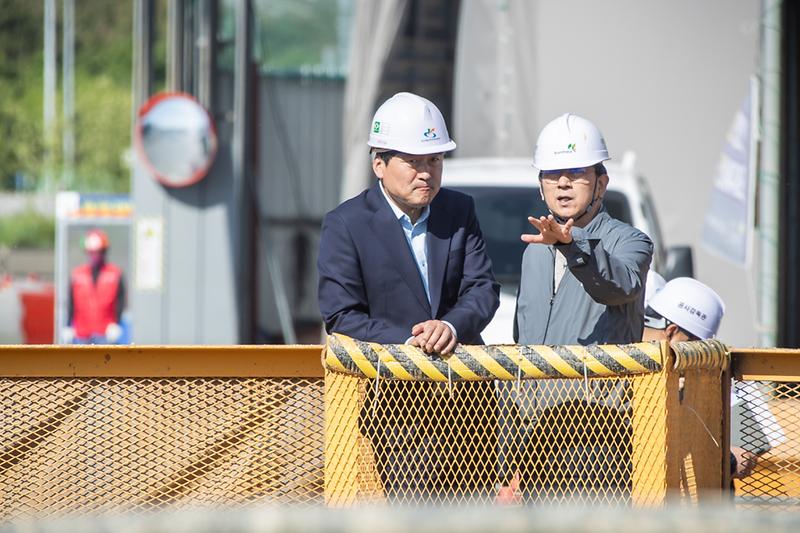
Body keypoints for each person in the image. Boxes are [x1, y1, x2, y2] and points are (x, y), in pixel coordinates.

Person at [317, 92, 500, 500]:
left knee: (476, 518)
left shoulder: (459, 211)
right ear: (378, 164)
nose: (426, 173)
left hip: (470, 403)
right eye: (413, 162)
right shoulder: (345, 224)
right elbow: (342, 315)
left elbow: (483, 288)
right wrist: (412, 341)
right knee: (412, 515)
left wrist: (451, 326)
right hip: (398, 411)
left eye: (434, 160)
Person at [501, 113, 654, 503]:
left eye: (576, 172)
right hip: (532, 439)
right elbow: (523, 343)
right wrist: (507, 457)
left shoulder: (631, 241)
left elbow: (619, 286)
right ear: (540, 186)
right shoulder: (533, 253)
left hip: (596, 437)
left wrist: (573, 249)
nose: (563, 183)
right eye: (551, 174)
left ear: (602, 182)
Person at [642, 276, 784, 483]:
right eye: (697, 345)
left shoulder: (716, 372)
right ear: (672, 332)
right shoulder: (629, 362)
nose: (700, 354)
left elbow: (747, 452)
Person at [63, 229, 126, 344]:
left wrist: (116, 324)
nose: (94, 256)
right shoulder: (77, 274)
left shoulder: (115, 274)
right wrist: (68, 325)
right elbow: (71, 302)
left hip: (105, 332)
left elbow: (120, 302)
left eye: (98, 252)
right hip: (81, 333)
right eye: (91, 252)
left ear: (104, 252)